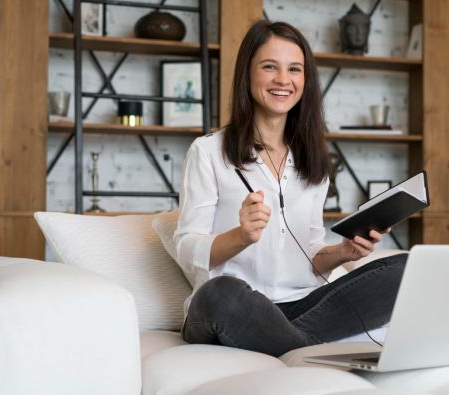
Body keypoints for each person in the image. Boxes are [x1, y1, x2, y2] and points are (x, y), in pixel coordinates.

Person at [172, 20, 407, 357]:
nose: (284, 80)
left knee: (403, 269)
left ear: (304, 80)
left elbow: (310, 253)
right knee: (220, 294)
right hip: (229, 306)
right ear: (247, 74)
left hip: (300, 308)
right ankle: (309, 349)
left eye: (294, 69)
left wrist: (344, 252)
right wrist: (242, 235)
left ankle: (291, 345)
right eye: (270, 67)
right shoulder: (208, 152)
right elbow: (186, 247)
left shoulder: (312, 161)